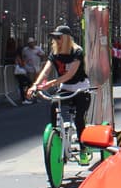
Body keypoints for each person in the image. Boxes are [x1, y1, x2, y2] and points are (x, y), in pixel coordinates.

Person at [28, 25, 92, 158]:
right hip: (65, 88)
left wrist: (52, 83)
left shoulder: (77, 51)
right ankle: (55, 132)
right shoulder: (55, 53)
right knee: (53, 103)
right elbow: (46, 71)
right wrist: (35, 85)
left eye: (59, 37)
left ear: (67, 38)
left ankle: (83, 149)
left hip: (80, 88)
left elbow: (70, 74)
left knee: (79, 119)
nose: (56, 40)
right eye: (54, 37)